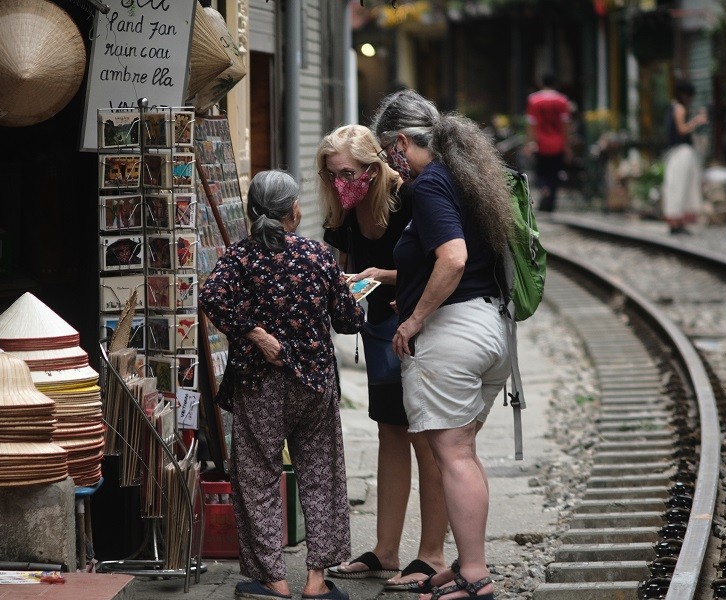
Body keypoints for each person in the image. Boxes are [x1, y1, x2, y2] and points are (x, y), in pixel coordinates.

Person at [370, 89, 516, 600]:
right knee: (464, 455)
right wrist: (400, 284)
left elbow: (452, 259)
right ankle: (468, 564)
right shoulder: (465, 175)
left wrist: (413, 319)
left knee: (452, 456)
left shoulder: (429, 183)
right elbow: (456, 259)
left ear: (401, 142)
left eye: (387, 150)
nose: (389, 162)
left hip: (452, 337)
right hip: (490, 330)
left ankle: (475, 575)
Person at [199, 170, 365, 600]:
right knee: (321, 476)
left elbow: (210, 297)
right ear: (294, 211)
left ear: (253, 213)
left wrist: (255, 334)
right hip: (312, 384)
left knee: (257, 478)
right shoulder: (318, 257)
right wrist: (351, 295)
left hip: (260, 385)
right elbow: (347, 321)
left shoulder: (239, 259)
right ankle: (316, 581)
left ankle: (273, 581)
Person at [317, 125, 449, 591]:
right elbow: (340, 263)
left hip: (417, 325)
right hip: (377, 330)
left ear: (374, 169)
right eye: (332, 175)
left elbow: (444, 262)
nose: (340, 183)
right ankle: (385, 551)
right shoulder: (346, 208)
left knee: (427, 436)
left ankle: (431, 555)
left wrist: (383, 276)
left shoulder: (409, 195)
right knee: (390, 432)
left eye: (348, 173)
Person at [662, 78, 707, 235]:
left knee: (677, 186)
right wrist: (697, 121)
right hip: (682, 153)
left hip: (675, 153)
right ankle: (677, 222)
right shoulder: (680, 109)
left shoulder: (672, 107)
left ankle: (676, 222)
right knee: (681, 186)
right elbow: (682, 130)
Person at [525, 73, 571, 213]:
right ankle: (551, 202)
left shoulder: (534, 100)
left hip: (540, 142)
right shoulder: (562, 100)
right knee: (555, 172)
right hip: (558, 142)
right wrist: (567, 145)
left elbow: (531, 123)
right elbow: (566, 124)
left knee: (541, 171)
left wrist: (529, 142)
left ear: (541, 83)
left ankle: (544, 188)